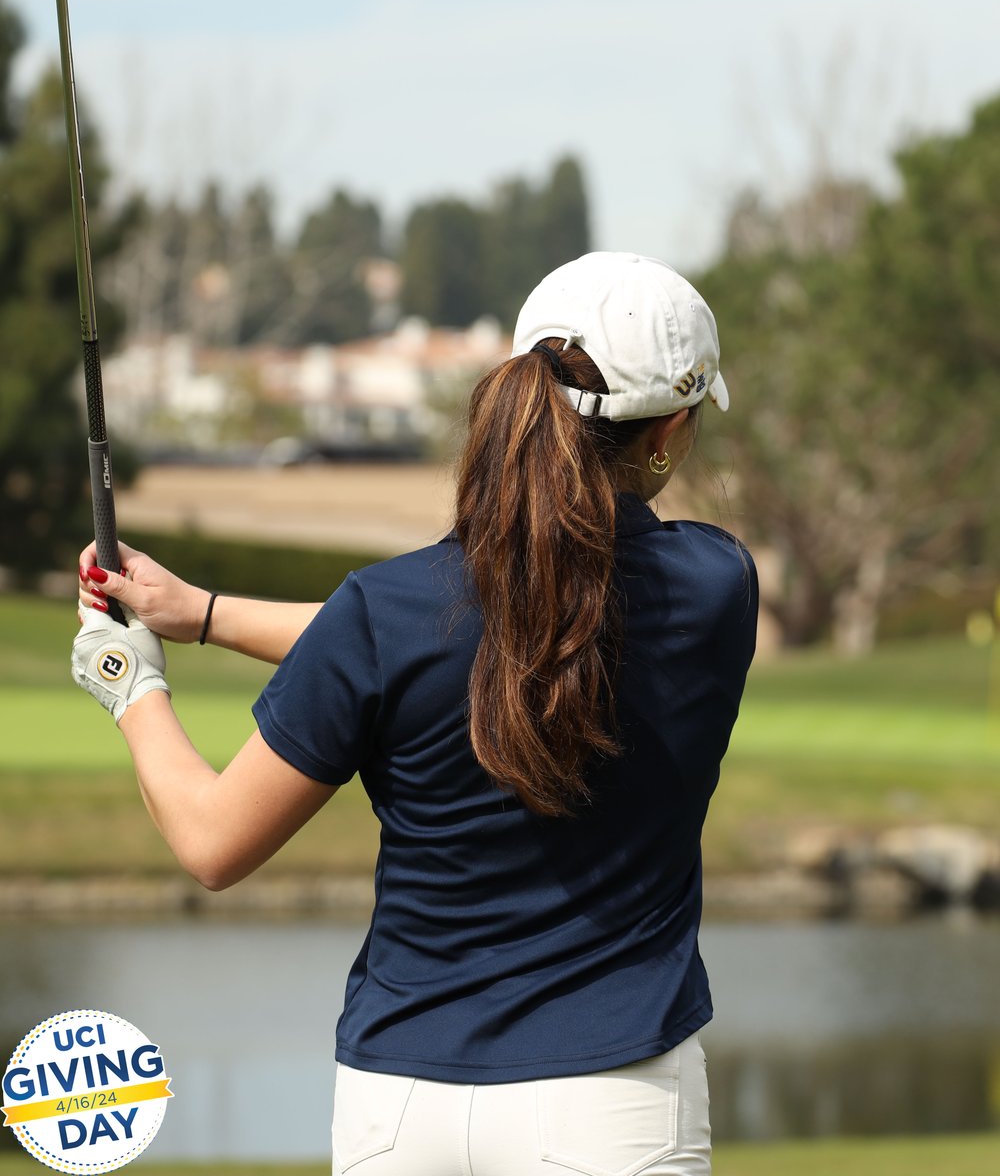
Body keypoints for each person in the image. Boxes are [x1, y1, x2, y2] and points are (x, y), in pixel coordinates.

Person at [73, 252, 758, 1176]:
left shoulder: (384, 611)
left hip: (400, 1110)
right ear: (671, 429)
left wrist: (133, 682)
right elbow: (484, 629)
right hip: (614, 1099)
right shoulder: (714, 585)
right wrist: (198, 614)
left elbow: (211, 840)